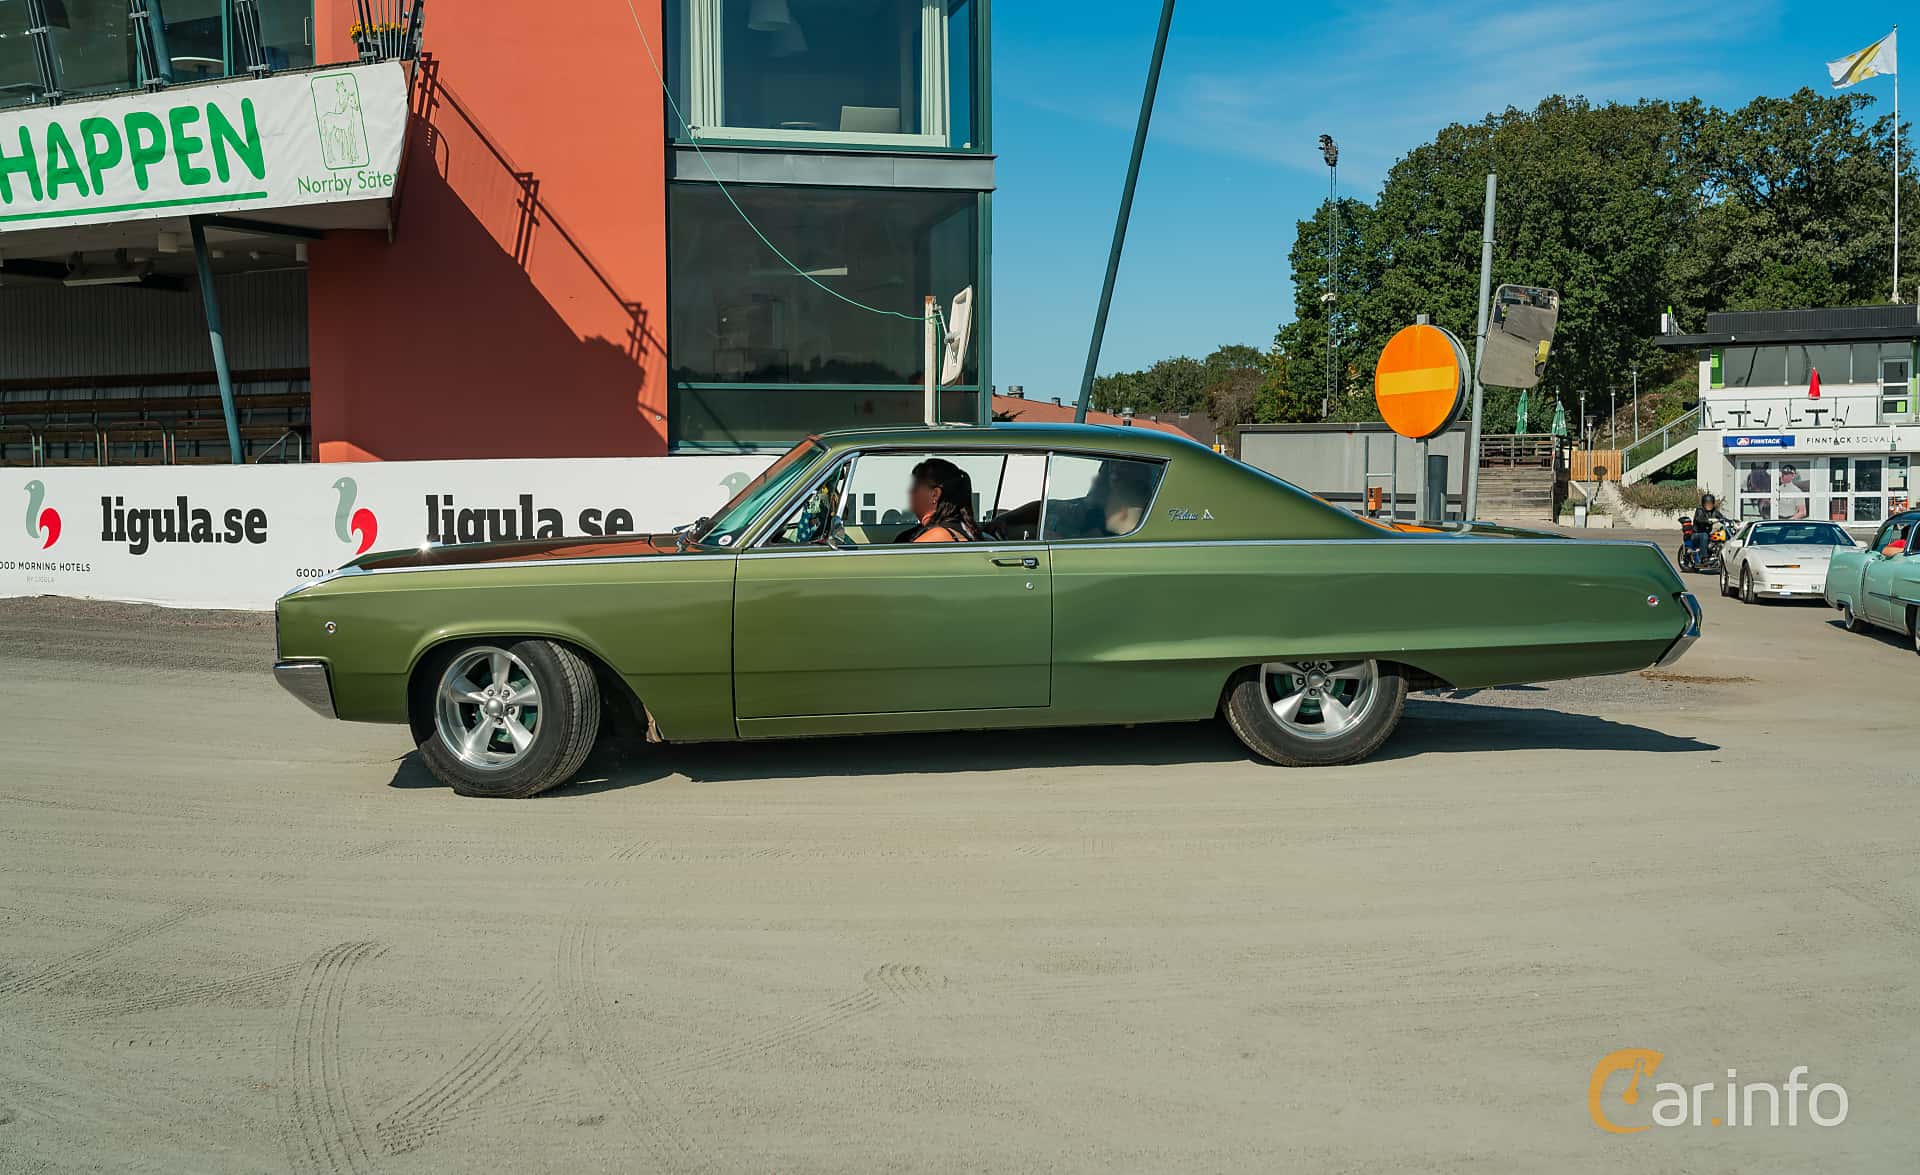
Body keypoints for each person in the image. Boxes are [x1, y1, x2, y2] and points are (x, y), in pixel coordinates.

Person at [895, 458, 982, 543]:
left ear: (935, 494)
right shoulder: (965, 529)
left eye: (915, 486)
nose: (910, 491)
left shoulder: (938, 536)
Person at [1689, 493, 1726, 561]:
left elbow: (1722, 518)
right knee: (1704, 535)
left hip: (1709, 533)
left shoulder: (1714, 511)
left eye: (1711, 503)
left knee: (1722, 534)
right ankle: (1704, 557)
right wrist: (1706, 521)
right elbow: (1699, 519)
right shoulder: (1700, 510)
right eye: (1707, 503)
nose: (1709, 505)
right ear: (1703, 504)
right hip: (1697, 534)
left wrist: (1731, 521)